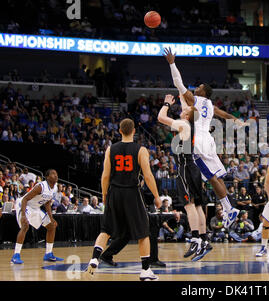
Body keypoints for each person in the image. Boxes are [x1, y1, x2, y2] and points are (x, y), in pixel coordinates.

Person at [164, 48, 244, 229]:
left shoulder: (196, 100)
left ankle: (228, 209)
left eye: (199, 87)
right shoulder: (209, 104)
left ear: (204, 92)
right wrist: (235, 119)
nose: (196, 87)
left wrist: (172, 63)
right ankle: (229, 207)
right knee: (217, 177)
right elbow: (222, 113)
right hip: (207, 139)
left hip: (198, 140)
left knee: (210, 176)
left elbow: (178, 81)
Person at [87, 118, 162, 281]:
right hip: (132, 193)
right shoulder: (141, 150)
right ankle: (145, 270)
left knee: (105, 230)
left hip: (114, 191)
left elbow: (105, 175)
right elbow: (148, 176)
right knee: (143, 232)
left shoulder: (110, 149)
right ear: (134, 131)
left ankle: (94, 258)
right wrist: (156, 196)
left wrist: (105, 195)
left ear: (120, 131)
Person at [157, 94, 211, 261]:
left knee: (189, 205)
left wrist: (166, 103)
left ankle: (195, 239)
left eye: (185, 109)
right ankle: (204, 239)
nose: (182, 109)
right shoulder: (192, 123)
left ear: (187, 115)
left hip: (185, 168)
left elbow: (160, 117)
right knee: (199, 206)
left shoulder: (183, 124)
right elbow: (187, 108)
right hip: (193, 167)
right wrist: (181, 93)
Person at [10, 169, 64, 264]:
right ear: (47, 177)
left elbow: (47, 203)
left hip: (35, 208)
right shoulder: (40, 186)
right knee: (25, 226)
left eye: (56, 174)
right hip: (24, 205)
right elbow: (25, 199)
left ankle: (48, 253)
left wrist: (51, 218)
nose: (56, 176)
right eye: (53, 174)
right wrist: (23, 216)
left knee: (52, 226)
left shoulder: (54, 188)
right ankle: (16, 255)